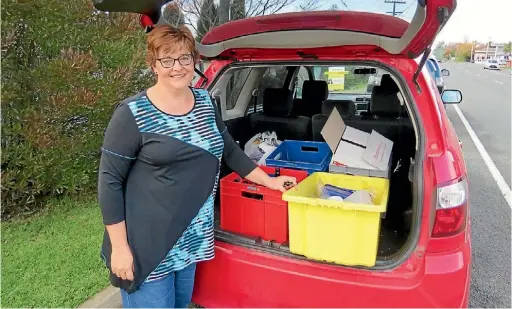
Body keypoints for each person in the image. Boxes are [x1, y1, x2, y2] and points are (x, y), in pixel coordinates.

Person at [97, 24, 297, 308]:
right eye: (167, 60)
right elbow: (110, 183)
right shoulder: (132, 113)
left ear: (194, 61)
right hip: (149, 244)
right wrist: (119, 248)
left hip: (191, 238)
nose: (177, 67)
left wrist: (269, 181)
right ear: (153, 65)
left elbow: (229, 149)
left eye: (184, 58)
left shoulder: (204, 101)